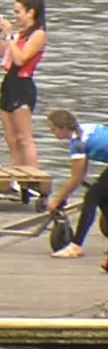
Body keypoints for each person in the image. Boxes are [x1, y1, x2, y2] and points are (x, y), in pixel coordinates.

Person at [45, 110, 108, 260]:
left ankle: (76, 246)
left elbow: (77, 178)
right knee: (102, 197)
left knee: (91, 197)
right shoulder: (85, 129)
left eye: (53, 129)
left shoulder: (78, 143)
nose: (52, 133)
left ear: (62, 128)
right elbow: (80, 175)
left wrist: (56, 199)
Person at [0, 0, 47, 169]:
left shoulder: (38, 34)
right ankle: (17, 176)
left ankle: (32, 178)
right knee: (11, 137)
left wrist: (9, 36)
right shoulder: (19, 34)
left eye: (18, 12)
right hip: (9, 83)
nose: (15, 16)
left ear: (30, 12)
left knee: (24, 138)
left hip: (23, 85)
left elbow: (20, 60)